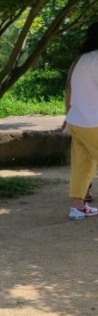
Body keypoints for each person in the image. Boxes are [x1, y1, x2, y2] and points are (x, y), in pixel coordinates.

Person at [65, 21, 98, 220]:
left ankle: (77, 207)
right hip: (93, 123)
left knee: (82, 164)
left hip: (77, 121)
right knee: (84, 164)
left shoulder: (82, 59)